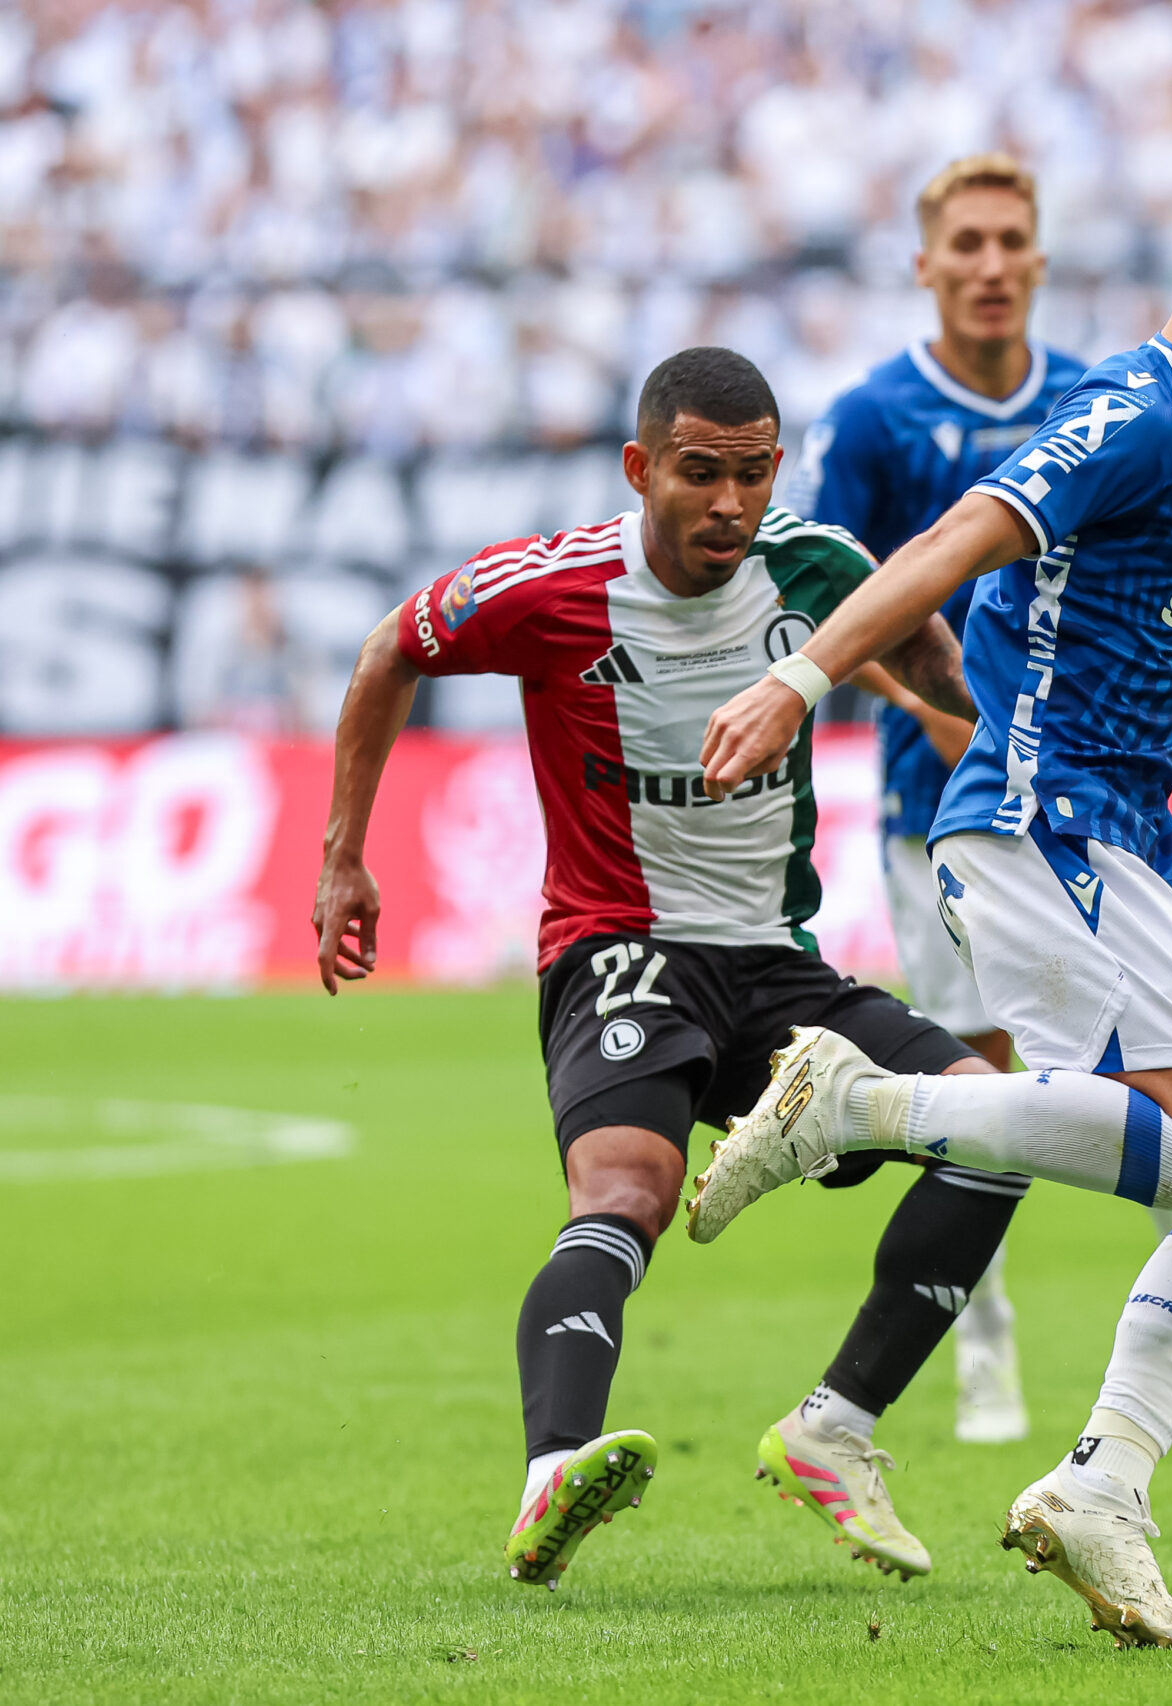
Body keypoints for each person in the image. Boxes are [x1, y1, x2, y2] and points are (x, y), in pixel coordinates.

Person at [686, 156, 1172, 1649]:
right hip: (1041, 823)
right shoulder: (1131, 416)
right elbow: (952, 545)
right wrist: (801, 679)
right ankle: (861, 1111)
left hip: (1114, 836)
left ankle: (1100, 1483)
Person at [312, 347, 1029, 1592]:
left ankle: (835, 1426)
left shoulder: (818, 568)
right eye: (701, 474)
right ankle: (554, 1470)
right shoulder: (549, 588)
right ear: (642, 468)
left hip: (777, 964)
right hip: (618, 949)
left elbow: (934, 674)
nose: (731, 505)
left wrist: (1010, 765)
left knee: (1000, 1124)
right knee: (629, 1191)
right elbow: (389, 650)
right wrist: (342, 861)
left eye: (754, 473)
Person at [790, 153, 1172, 1440]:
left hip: (1086, 806)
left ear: (1040, 257)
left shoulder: (1116, 400)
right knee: (1025, 1083)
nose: (992, 263)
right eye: (966, 242)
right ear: (928, 263)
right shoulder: (877, 419)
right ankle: (984, 1356)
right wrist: (837, 685)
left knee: (1167, 1123)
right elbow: (870, 566)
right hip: (975, 799)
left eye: (1013, 238)